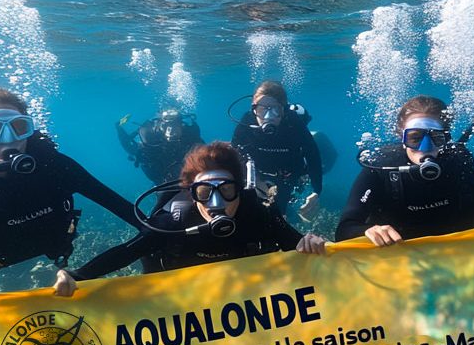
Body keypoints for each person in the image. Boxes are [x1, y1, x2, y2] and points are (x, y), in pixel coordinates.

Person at [0, 87, 142, 310]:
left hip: (55, 247)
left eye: (19, 127)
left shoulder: (55, 165)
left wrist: (164, 232)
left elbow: (124, 209)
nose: (8, 139)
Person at [55, 141, 327, 294]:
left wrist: (311, 242)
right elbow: (126, 252)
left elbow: (297, 242)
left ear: (240, 191)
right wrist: (76, 274)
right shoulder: (173, 220)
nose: (216, 203)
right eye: (205, 192)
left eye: (227, 190)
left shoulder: (258, 212)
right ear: (192, 193)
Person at [335, 95, 474, 245]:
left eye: (436, 137)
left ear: (446, 139)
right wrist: (367, 230)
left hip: (459, 257)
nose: (425, 147)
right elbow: (345, 228)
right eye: (415, 138)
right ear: (401, 138)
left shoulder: (457, 163)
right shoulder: (381, 168)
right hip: (400, 263)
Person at [230, 80, 323, 221]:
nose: (268, 117)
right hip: (259, 173)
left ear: (284, 110)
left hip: (288, 172)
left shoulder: (294, 123)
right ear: (254, 110)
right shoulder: (246, 123)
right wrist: (255, 180)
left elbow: (313, 156)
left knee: (280, 213)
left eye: (275, 109)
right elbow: (234, 154)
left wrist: (316, 192)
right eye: (262, 109)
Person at [116, 107, 202, 186]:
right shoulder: (150, 139)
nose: (170, 130)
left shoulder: (190, 137)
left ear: (181, 125)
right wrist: (119, 128)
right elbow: (130, 148)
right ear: (160, 125)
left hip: (191, 180)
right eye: (166, 125)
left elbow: (205, 154)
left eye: (174, 125)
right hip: (162, 182)